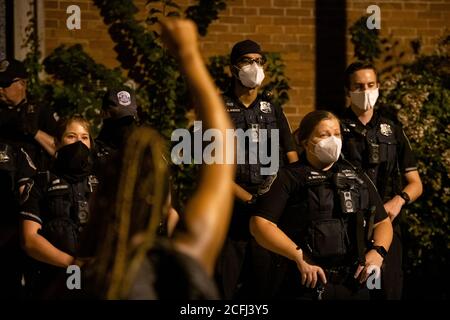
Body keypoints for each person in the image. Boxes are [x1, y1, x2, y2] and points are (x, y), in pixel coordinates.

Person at [77, 18, 235, 299]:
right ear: (159, 200)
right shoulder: (179, 268)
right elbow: (223, 148)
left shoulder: (88, 281)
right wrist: (189, 55)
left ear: (101, 198)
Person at [250, 110, 393, 300]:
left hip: (353, 282)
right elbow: (260, 224)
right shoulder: (288, 177)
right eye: (324, 135)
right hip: (306, 282)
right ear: (305, 141)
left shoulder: (357, 176)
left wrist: (378, 252)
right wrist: (299, 257)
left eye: (336, 134)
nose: (333, 140)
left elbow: (383, 222)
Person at [216, 39, 299, 299]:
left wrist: (282, 199)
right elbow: (211, 169)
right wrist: (248, 199)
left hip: (268, 211)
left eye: (259, 61)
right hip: (231, 210)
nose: (255, 66)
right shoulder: (217, 108)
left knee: (266, 285)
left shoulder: (272, 109)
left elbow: (292, 159)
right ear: (233, 68)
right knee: (224, 285)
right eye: (247, 61)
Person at [340, 61, 423, 299]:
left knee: (388, 290)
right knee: (356, 289)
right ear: (347, 91)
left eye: (371, 85)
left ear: (378, 87)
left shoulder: (392, 129)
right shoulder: (336, 128)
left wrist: (399, 200)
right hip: (349, 227)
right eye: (358, 86)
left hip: (388, 224)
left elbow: (415, 183)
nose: (366, 91)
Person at [19, 115, 98, 298]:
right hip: (52, 281)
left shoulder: (103, 183)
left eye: (84, 137)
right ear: (57, 142)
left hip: (95, 282)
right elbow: (29, 240)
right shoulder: (40, 182)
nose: (78, 143)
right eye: (71, 136)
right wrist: (73, 263)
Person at [0, 58, 58, 298]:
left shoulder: (40, 111)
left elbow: (60, 151)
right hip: (3, 207)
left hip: (35, 206)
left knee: (37, 276)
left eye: (5, 84)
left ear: (22, 83)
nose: (0, 90)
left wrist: (33, 131)